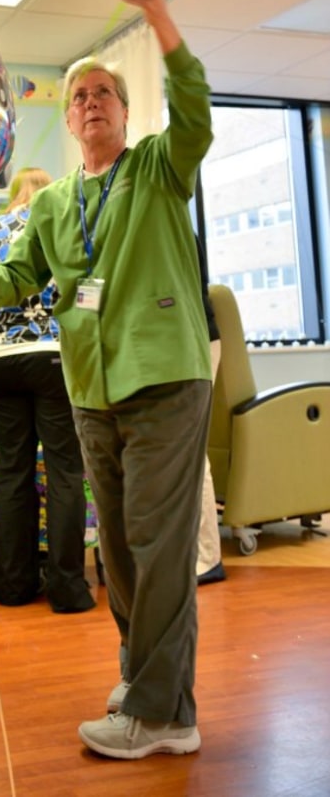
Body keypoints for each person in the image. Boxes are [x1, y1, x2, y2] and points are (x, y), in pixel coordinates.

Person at [0, 0, 213, 760]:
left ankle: (161, 713)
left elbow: (196, 111)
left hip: (163, 378)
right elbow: (22, 275)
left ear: (126, 113)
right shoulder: (52, 204)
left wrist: (157, 14)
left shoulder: (158, 167)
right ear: (68, 118)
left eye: (104, 95)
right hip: (90, 385)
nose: (90, 102)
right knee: (118, 544)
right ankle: (149, 684)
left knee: (158, 541)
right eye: (78, 96)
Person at [0, 166, 95, 614]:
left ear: (16, 191)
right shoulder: (62, 219)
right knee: (64, 471)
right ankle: (67, 589)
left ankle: (14, 584)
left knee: (13, 470)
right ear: (49, 194)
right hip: (54, 354)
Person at [196, 235, 226, 585]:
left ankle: (208, 557)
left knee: (191, 452)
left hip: (194, 339)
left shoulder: (168, 216)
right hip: (171, 342)